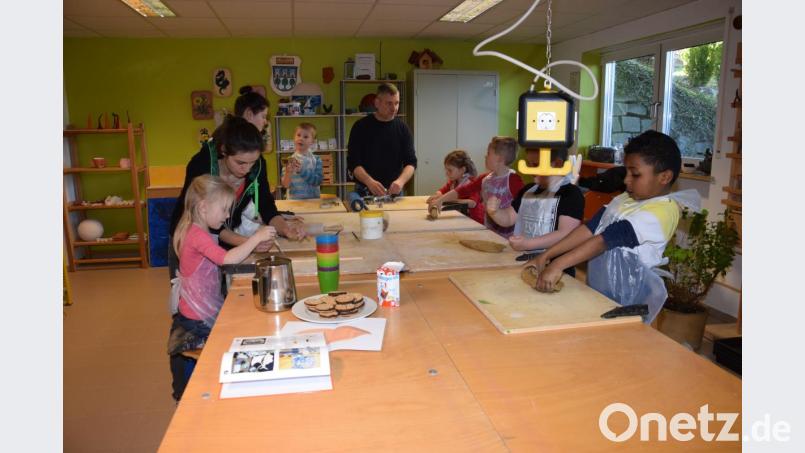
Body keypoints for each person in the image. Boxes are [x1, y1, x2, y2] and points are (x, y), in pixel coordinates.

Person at [527, 130, 700, 322]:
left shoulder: (662, 211)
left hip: (631, 302)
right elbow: (590, 229)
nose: (626, 180)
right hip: (603, 292)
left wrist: (558, 264)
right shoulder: (625, 199)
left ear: (665, 177)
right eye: (626, 172)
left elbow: (604, 240)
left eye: (635, 174)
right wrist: (547, 255)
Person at [168, 174, 277, 401]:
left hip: (196, 309)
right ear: (203, 207)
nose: (228, 216)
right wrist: (256, 238)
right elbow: (227, 259)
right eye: (225, 209)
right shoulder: (197, 235)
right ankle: (214, 392)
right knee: (226, 346)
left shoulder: (192, 227)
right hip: (196, 318)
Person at [168, 110, 304, 280]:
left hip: (227, 237)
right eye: (240, 162)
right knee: (192, 293)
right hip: (190, 237)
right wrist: (250, 243)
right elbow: (207, 222)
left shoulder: (258, 166)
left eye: (252, 162)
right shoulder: (203, 164)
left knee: (220, 292)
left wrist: (285, 228)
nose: (246, 169)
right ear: (224, 150)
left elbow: (266, 206)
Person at [501, 149, 585, 274]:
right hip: (525, 262)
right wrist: (494, 212)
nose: (531, 171)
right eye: (529, 165)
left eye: (535, 165)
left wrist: (527, 244)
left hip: (556, 270)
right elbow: (509, 218)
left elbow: (566, 233)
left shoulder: (571, 194)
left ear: (556, 164)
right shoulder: (528, 190)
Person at [429, 136, 524, 238]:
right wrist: (440, 201)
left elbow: (523, 208)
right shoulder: (485, 179)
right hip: (490, 232)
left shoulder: (513, 180)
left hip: (510, 237)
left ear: (499, 159)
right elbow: (462, 191)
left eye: (488, 153)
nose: (485, 156)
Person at [347, 83, 417, 196]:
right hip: (365, 190)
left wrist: (401, 181)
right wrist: (369, 182)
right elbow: (353, 163)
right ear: (377, 103)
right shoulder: (360, 126)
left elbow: (411, 162)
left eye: (397, 103)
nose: (394, 108)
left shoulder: (403, 129)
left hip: (394, 192)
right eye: (389, 103)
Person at [425, 150, 484, 224]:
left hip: (475, 221)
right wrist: (437, 196)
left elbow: (472, 203)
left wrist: (444, 201)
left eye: (450, 170)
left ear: (462, 170)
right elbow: (442, 190)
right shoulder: (453, 182)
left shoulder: (471, 183)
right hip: (461, 218)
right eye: (446, 169)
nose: (447, 173)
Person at [280, 122, 323, 199]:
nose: (301, 138)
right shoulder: (289, 160)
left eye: (305, 137)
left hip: (313, 201)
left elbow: (318, 181)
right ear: (294, 138)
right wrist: (288, 172)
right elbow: (285, 185)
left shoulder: (317, 159)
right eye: (298, 135)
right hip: (294, 202)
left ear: (313, 141)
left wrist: (302, 171)